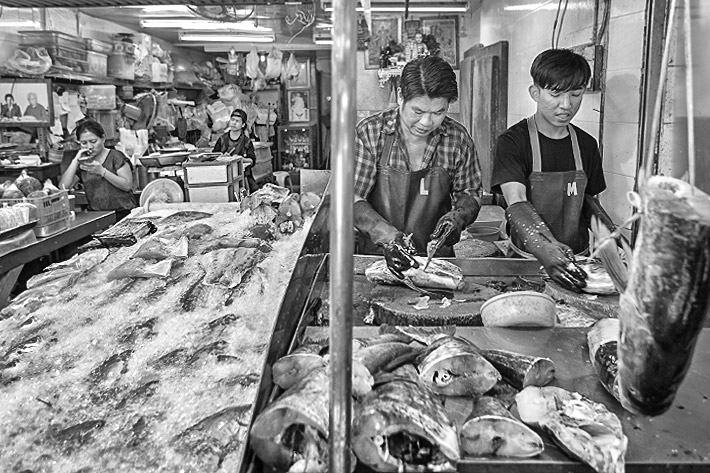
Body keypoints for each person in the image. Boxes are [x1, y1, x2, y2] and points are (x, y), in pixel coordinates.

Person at [491, 48, 614, 292]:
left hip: (578, 264)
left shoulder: (587, 145)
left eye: (576, 94)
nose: (566, 105)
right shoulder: (514, 141)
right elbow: (516, 199)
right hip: (527, 264)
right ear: (535, 93)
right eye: (555, 94)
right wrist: (545, 249)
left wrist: (613, 240)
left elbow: (588, 201)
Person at [353, 55, 483, 278]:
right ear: (401, 96)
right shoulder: (371, 133)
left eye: (439, 112)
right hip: (379, 260)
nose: (426, 123)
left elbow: (470, 192)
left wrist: (458, 218)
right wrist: (388, 237)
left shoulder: (457, 138)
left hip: (436, 264)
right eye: (418, 112)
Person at [60, 119, 136, 220]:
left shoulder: (116, 157)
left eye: (93, 141)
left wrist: (102, 172)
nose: (89, 147)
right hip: (97, 216)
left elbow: (127, 185)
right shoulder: (84, 162)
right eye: (84, 143)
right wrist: (76, 159)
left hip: (123, 214)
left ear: (103, 138)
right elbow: (63, 187)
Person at [212, 109, 258, 193]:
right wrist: (221, 157)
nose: (234, 123)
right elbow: (213, 157)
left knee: (254, 191)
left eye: (237, 121)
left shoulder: (246, 141)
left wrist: (241, 159)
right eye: (232, 120)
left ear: (243, 125)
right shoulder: (222, 139)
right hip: (223, 175)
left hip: (244, 176)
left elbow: (252, 161)